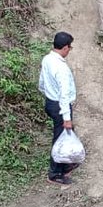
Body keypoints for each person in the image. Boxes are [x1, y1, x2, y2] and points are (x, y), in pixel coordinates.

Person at [38, 31, 78, 186]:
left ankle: (66, 163)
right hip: (59, 106)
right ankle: (54, 173)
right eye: (70, 47)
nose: (69, 50)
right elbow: (64, 94)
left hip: (50, 102)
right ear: (65, 48)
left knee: (66, 134)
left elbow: (41, 82)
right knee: (59, 139)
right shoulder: (61, 68)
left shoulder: (47, 59)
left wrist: (48, 93)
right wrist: (66, 118)